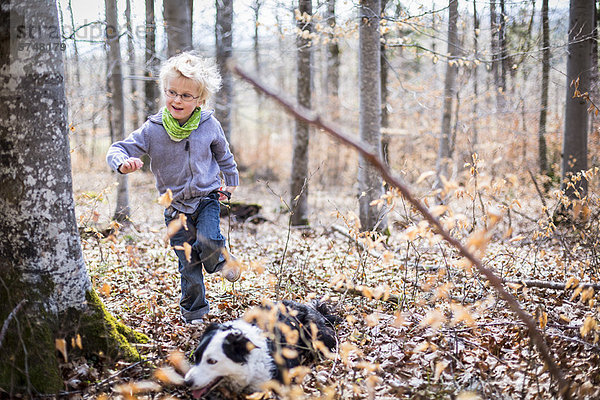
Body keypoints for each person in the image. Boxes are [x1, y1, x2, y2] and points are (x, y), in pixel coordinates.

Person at [106, 52, 240, 324]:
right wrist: (122, 163)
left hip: (206, 197)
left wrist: (232, 179)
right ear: (164, 91)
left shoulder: (209, 124)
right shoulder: (153, 129)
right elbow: (118, 148)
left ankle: (221, 261)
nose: (177, 100)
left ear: (200, 100)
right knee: (188, 265)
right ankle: (194, 313)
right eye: (172, 92)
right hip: (174, 207)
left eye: (186, 96)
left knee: (209, 238)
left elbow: (224, 155)